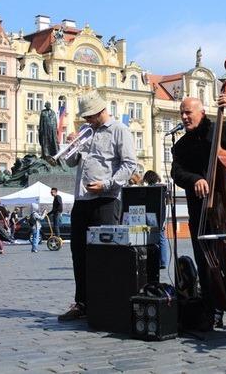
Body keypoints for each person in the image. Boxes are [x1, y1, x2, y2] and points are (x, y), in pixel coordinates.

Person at [171, 95, 226, 332]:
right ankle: (213, 309)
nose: (184, 117)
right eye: (182, 113)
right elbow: (177, 173)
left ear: (202, 112)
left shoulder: (223, 131)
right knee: (206, 264)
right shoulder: (181, 145)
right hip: (200, 214)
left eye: (188, 112)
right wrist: (195, 179)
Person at [57, 90, 137, 321]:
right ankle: (82, 302)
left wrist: (107, 185)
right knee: (79, 253)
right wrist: (71, 144)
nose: (86, 121)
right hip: (82, 199)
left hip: (106, 199)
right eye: (85, 118)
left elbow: (129, 164)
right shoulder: (85, 131)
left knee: (106, 254)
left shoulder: (119, 130)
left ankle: (108, 302)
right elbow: (71, 161)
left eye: (89, 116)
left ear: (101, 110)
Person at [142, 170, 169, 269]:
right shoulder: (162, 189)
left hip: (149, 217)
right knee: (162, 238)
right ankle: (163, 262)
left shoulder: (147, 190)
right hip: (161, 216)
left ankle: (153, 260)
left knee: (150, 239)